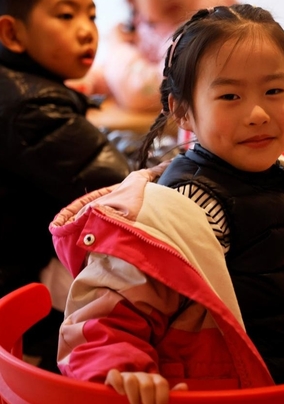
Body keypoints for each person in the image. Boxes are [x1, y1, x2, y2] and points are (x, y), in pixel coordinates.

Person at [50, 5, 284, 404]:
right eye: (230, 96)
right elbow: (105, 316)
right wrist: (122, 369)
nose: (258, 114)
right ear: (182, 110)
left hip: (276, 384)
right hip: (207, 393)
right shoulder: (191, 203)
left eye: (275, 91)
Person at [0, 0, 130, 373]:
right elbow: (119, 187)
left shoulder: (21, 88)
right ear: (12, 33)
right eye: (65, 15)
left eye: (91, 15)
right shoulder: (34, 105)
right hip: (21, 293)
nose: (87, 29)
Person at [69, 0, 236, 113]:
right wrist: (89, 82)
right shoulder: (141, 28)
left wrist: (118, 47)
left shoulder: (201, 31)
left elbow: (145, 90)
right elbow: (118, 76)